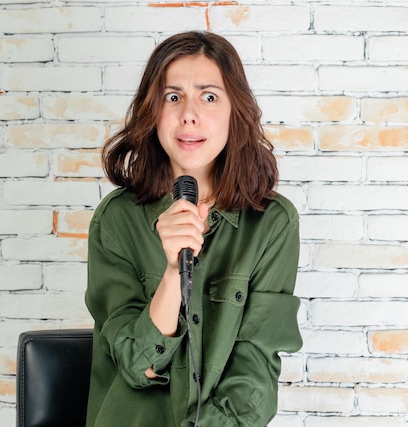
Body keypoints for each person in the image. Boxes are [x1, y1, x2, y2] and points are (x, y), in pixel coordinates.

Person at [84, 31, 302, 427]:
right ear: (154, 112)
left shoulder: (272, 223)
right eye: (173, 97)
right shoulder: (116, 220)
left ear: (235, 110)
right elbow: (138, 365)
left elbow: (254, 374)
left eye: (209, 96)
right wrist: (172, 273)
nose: (189, 114)